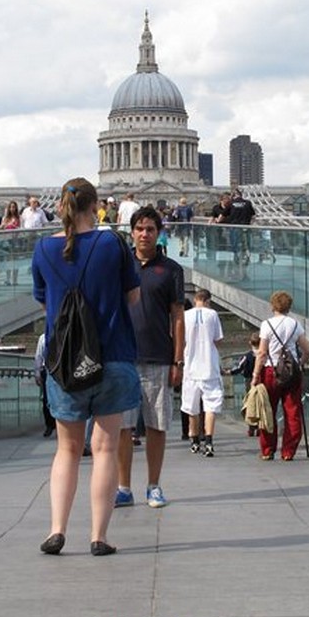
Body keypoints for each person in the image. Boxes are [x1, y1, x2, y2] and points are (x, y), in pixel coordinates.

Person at [31, 177, 141, 556]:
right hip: (112, 355)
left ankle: (57, 530)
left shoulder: (43, 249)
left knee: (67, 449)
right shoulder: (114, 244)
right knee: (106, 448)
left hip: (65, 362)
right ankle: (98, 536)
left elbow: (47, 305)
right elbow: (133, 295)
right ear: (97, 207)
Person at [116, 205, 185, 509]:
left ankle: (154, 485)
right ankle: (123, 487)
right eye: (140, 228)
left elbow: (178, 318)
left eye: (151, 229)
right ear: (131, 232)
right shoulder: (118, 265)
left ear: (159, 233)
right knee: (122, 427)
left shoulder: (171, 270)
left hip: (158, 355)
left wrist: (178, 360)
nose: (145, 234)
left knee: (157, 425)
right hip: (122, 356)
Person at [251, 290, 309, 461]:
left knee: (267, 410)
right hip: (291, 372)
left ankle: (268, 450)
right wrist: (299, 363)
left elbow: (262, 352)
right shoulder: (295, 325)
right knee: (292, 411)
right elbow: (308, 350)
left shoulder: (266, 325)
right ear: (289, 306)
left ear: (273, 305)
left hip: (270, 371)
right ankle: (288, 451)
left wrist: (256, 375)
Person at [181, 289, 223, 457]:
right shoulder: (212, 314)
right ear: (207, 300)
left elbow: (181, 339)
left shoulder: (186, 315)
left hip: (190, 367)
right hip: (209, 366)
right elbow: (218, 339)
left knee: (192, 407)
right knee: (210, 406)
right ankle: (209, 440)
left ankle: (194, 440)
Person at [228, 332, 261, 436]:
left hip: (249, 381)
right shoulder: (264, 354)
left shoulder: (247, 356)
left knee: (250, 403)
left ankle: (251, 427)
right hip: (262, 380)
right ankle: (261, 426)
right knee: (261, 403)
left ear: (250, 343)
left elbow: (239, 367)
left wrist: (229, 372)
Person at [33, 332, 56, 438]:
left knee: (59, 399)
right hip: (46, 370)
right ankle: (49, 425)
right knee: (47, 400)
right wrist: (37, 373)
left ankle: (58, 426)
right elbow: (38, 356)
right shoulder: (43, 337)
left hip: (59, 368)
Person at [0, 200, 21, 286]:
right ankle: (8, 279)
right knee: (8, 261)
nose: (12, 209)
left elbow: (21, 228)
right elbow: (1, 228)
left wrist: (15, 227)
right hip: (7, 241)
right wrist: (4, 225)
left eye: (14, 207)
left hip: (16, 240)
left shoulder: (19, 218)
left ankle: (15, 279)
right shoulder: (5, 218)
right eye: (11, 207)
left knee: (16, 261)